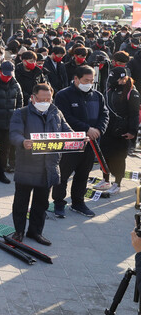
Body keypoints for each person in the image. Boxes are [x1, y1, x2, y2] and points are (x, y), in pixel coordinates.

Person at [9, 83, 72, 246]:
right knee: (21, 202)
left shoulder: (56, 112)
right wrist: (23, 142)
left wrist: (78, 138)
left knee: (41, 203)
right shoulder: (21, 113)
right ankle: (19, 231)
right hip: (27, 165)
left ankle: (35, 231)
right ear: (33, 98)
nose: (45, 102)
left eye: (48, 99)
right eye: (41, 99)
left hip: (49, 166)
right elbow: (14, 133)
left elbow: (66, 130)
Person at [53, 65, 109, 218]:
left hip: (91, 143)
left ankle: (78, 202)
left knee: (83, 174)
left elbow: (104, 114)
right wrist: (86, 129)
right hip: (71, 143)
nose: (89, 84)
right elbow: (64, 117)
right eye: (86, 80)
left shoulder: (97, 96)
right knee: (62, 175)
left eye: (92, 81)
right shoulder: (63, 95)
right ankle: (58, 202)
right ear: (76, 79)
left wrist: (98, 130)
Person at [96, 67, 139, 191]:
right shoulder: (109, 89)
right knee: (104, 155)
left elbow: (134, 113)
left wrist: (132, 131)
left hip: (122, 131)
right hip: (107, 128)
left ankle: (117, 183)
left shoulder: (132, 92)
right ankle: (105, 180)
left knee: (118, 158)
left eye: (118, 79)